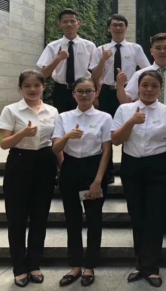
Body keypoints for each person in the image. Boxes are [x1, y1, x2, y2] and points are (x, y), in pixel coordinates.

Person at [118, 32, 166, 238]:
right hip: (143, 132)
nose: (162, 51)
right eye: (158, 48)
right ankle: (143, 223)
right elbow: (127, 101)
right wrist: (119, 86)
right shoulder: (141, 75)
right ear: (151, 51)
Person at [111, 70, 166, 288]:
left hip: (158, 166)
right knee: (137, 215)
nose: (149, 90)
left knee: (155, 217)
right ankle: (140, 263)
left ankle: (152, 267)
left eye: (154, 86)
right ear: (138, 87)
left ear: (160, 89)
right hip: (132, 166)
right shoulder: (125, 109)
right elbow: (116, 140)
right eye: (145, 85)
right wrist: (131, 122)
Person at [0, 70, 59, 288]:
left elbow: (56, 142)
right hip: (19, 162)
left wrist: (62, 166)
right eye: (27, 86)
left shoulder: (52, 111)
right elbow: (4, 143)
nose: (32, 89)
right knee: (17, 218)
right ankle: (19, 267)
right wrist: (22, 133)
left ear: (43, 87)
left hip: (45, 162)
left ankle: (34, 264)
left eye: (37, 85)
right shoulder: (11, 110)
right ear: (20, 88)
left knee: (40, 216)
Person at [52, 77, 112, 287]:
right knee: (72, 219)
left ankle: (90, 266)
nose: (84, 95)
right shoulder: (64, 117)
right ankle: (75, 265)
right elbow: (55, 148)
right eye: (80, 91)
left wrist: (98, 180)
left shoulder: (105, 117)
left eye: (88, 91)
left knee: (94, 219)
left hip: (94, 168)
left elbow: (107, 151)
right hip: (70, 168)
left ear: (96, 93)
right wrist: (67, 136)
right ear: (73, 94)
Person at [89, 14, 150, 183]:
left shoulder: (135, 48)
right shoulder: (100, 49)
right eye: (114, 25)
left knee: (129, 130)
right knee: (106, 132)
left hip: (128, 92)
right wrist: (103, 60)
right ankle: (107, 172)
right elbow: (94, 76)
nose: (118, 28)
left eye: (121, 25)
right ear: (109, 28)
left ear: (126, 28)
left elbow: (147, 70)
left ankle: (127, 171)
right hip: (107, 93)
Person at [37, 9, 96, 113]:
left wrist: (96, 94)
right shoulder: (52, 46)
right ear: (59, 24)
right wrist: (58, 59)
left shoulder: (89, 46)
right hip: (61, 90)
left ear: (78, 24)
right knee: (61, 119)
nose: (69, 24)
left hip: (83, 89)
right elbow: (44, 74)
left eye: (72, 21)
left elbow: (96, 72)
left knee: (83, 118)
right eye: (65, 21)